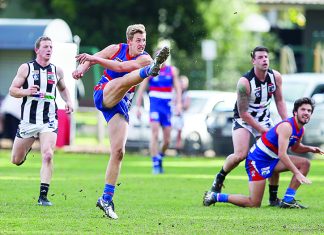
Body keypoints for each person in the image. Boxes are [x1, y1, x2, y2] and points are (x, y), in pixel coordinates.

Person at [72, 24, 170, 219]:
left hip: (121, 104)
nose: (142, 44)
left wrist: (93, 59)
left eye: (144, 40)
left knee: (118, 152)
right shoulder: (116, 49)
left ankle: (106, 199)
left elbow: (121, 67)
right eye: (138, 41)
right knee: (121, 81)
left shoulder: (146, 58)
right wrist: (81, 69)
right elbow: (90, 61)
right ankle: (150, 71)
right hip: (104, 93)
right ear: (129, 42)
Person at [203, 97, 324, 208]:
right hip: (257, 161)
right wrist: (297, 173)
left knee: (305, 163)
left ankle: (287, 200)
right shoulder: (287, 127)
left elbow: (295, 148)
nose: (306, 113)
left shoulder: (300, 130)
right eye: (303, 109)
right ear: (295, 112)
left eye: (309, 111)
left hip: (272, 159)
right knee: (254, 203)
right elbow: (282, 154)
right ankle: (214, 196)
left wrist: (310, 148)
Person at [205, 46, 288, 206]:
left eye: (266, 57)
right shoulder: (244, 83)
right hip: (244, 120)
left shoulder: (275, 77)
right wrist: (262, 130)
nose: (265, 60)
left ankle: (273, 198)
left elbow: (279, 101)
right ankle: (220, 177)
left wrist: (286, 123)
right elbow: (243, 113)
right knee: (240, 155)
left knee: (273, 154)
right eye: (260, 57)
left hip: (264, 119)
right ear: (253, 61)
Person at [9, 36, 73, 206]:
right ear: (37, 50)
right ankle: (27, 148)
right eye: (45, 47)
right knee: (16, 160)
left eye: (51, 47)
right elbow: (12, 90)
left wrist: (68, 101)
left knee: (48, 154)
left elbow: (63, 88)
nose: (49, 49)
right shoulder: (26, 68)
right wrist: (27, 91)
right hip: (29, 121)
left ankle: (43, 196)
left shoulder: (57, 71)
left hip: (49, 120)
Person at [136, 55, 182, 174]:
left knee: (167, 140)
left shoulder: (172, 71)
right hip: (155, 106)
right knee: (154, 133)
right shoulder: (151, 69)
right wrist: (138, 107)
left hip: (167, 108)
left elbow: (178, 88)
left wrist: (179, 104)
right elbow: (141, 89)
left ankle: (160, 156)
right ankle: (155, 162)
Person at [173, 75, 190, 154]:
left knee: (179, 133)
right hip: (172, 115)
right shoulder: (174, 92)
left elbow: (186, 106)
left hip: (180, 116)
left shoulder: (187, 94)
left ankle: (178, 150)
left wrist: (180, 105)